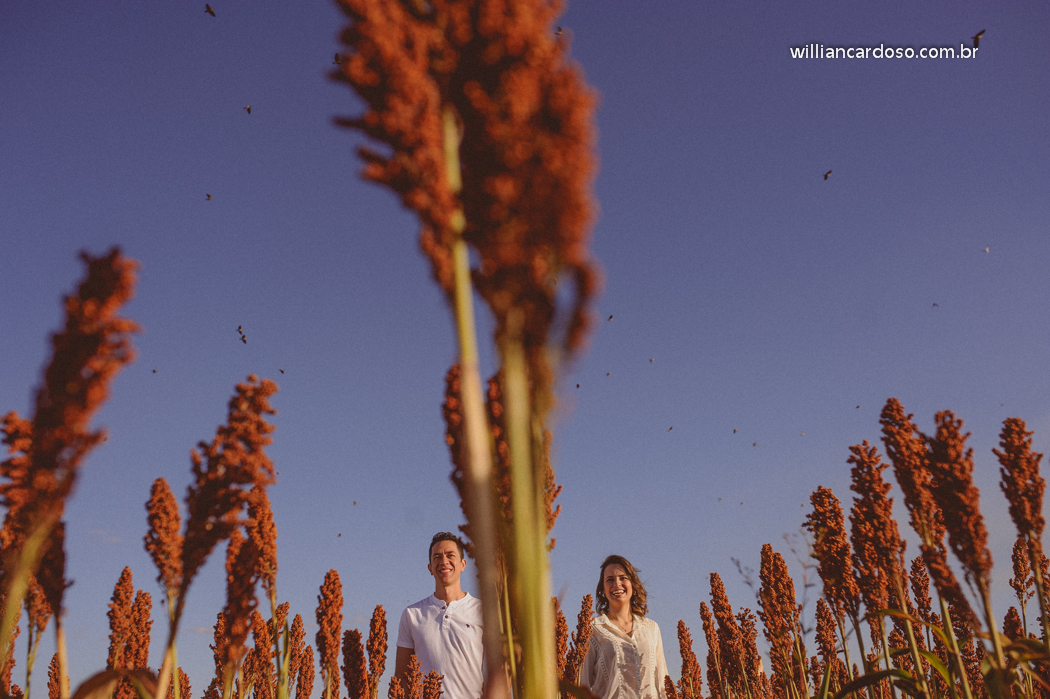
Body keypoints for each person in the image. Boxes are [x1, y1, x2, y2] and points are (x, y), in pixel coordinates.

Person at [395, 532, 484, 699]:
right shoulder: (412, 614)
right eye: (437, 557)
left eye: (450, 555)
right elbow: (402, 676)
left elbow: (498, 672)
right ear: (430, 568)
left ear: (463, 564)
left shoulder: (482, 612)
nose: (444, 561)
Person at [582, 555, 669, 699]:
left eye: (623, 578)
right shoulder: (592, 630)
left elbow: (663, 684)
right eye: (610, 580)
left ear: (633, 585)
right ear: (603, 589)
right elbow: (582, 685)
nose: (617, 584)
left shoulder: (651, 628)